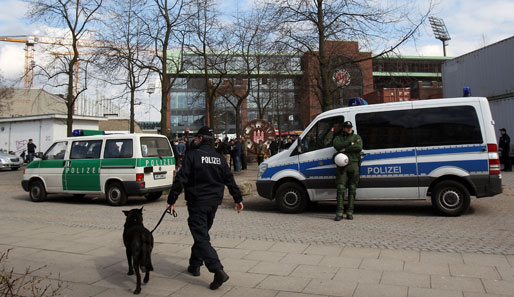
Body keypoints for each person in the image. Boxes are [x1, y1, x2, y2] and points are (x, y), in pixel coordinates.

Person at [167, 126, 244, 290]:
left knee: (201, 236)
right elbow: (229, 180)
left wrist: (171, 199)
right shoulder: (220, 158)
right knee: (201, 233)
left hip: (197, 202)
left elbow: (181, 179)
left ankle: (218, 270)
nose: (194, 140)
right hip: (214, 203)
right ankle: (195, 264)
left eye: (196, 138)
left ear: (201, 139)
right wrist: (238, 199)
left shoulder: (192, 156)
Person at [333, 121, 362, 221]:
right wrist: (349, 143)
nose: (349, 129)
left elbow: (359, 147)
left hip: (353, 164)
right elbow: (337, 145)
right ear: (344, 128)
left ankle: (350, 212)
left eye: (350, 127)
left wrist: (345, 148)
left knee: (352, 188)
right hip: (342, 166)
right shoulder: (338, 137)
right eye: (347, 127)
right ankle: (339, 212)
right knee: (340, 188)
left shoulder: (356, 137)